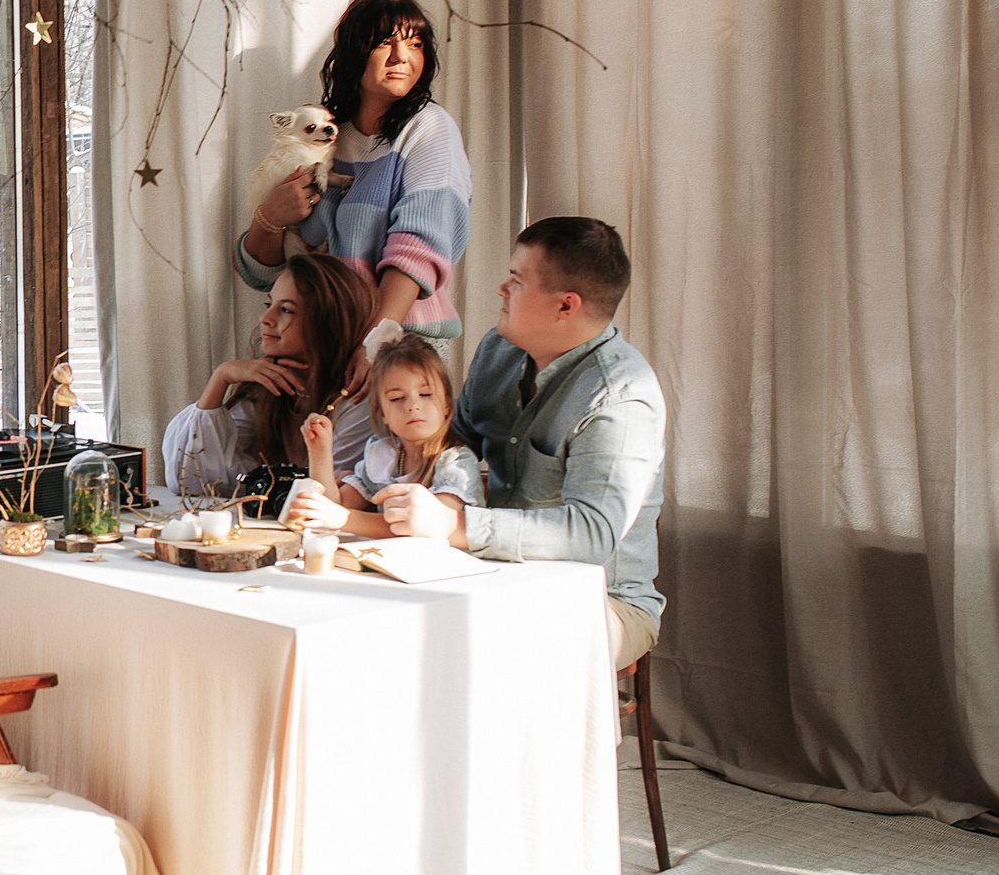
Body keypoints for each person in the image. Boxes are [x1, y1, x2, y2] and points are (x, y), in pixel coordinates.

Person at [366, 217, 667, 672]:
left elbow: (591, 534)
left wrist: (454, 523)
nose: (500, 291)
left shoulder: (621, 396)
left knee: (492, 650)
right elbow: (451, 445)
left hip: (601, 598)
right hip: (487, 574)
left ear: (566, 306)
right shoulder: (497, 351)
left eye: (516, 281)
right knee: (370, 622)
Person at [237, 0, 472, 467]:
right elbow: (268, 273)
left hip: (398, 344)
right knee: (308, 486)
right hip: (321, 341)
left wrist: (373, 341)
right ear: (353, 49)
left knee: (384, 485)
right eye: (386, 42)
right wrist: (270, 216)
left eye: (417, 44)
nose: (403, 57)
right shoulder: (324, 132)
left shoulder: (429, 129)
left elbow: (418, 249)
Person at [159, 254, 371, 497]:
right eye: (268, 305)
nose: (265, 319)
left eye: (286, 310)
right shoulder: (267, 386)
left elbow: (326, 496)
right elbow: (191, 480)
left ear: (327, 322)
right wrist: (221, 377)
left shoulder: (358, 399)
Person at [289, 332, 485, 540]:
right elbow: (333, 508)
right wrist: (319, 452)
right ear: (383, 413)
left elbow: (425, 529)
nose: (412, 406)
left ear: (446, 403)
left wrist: (344, 518)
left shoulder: (456, 463)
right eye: (397, 398)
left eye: (425, 394)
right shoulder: (384, 456)